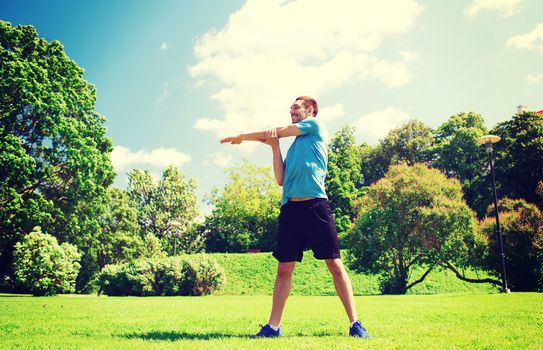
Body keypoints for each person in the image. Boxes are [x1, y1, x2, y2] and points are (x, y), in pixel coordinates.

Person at [220, 96, 370, 338]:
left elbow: (278, 131)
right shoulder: (294, 149)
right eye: (290, 108)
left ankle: (356, 324)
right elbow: (280, 179)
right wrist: (273, 146)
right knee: (284, 269)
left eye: (296, 107)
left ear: (310, 110)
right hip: (291, 210)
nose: (292, 110)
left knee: (334, 264)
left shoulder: (315, 126)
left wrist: (243, 135)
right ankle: (273, 328)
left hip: (316, 206)